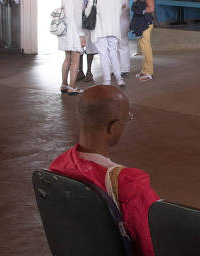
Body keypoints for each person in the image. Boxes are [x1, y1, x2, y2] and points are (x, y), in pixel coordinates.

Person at [49, 85, 159, 256]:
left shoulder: (58, 166)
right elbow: (153, 245)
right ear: (112, 128)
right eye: (126, 119)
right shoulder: (129, 183)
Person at [85, 0, 124, 87]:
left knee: (103, 54)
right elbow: (119, 11)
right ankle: (119, 78)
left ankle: (107, 80)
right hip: (113, 28)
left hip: (99, 29)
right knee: (113, 52)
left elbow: (88, 12)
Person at [58, 0, 86, 95]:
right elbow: (78, 18)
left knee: (67, 58)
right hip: (74, 31)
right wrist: (81, 35)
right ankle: (72, 87)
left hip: (64, 31)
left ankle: (64, 84)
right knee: (75, 60)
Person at [77, 0, 99, 82]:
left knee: (89, 45)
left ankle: (89, 71)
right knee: (79, 46)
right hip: (77, 20)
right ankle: (79, 70)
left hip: (89, 18)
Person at [109, 0, 132, 76]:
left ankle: (125, 68)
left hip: (123, 19)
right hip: (112, 19)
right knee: (113, 43)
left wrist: (114, 4)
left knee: (122, 42)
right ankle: (115, 68)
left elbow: (122, 3)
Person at [134, 0, 155, 82]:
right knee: (143, 47)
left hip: (146, 22)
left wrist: (140, 11)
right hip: (141, 22)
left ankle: (149, 72)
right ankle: (144, 70)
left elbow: (151, 8)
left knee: (146, 47)